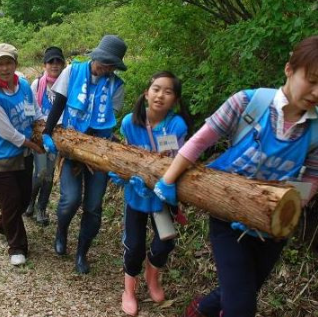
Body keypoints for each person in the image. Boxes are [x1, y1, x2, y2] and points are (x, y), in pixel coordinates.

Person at [151, 36, 318, 317]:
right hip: (228, 216)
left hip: (272, 227)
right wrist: (168, 180)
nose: (316, 91)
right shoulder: (248, 102)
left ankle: (202, 309)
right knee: (241, 307)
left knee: (246, 289)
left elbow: (312, 175)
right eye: (312, 79)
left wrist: (291, 207)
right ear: (290, 69)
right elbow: (200, 141)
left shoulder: (315, 128)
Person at [42, 34, 128, 274]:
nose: (106, 68)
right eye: (104, 62)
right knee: (70, 199)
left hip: (99, 151)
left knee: (93, 206)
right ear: (96, 56)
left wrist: (90, 151)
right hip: (71, 146)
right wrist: (48, 133)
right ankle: (61, 232)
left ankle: (82, 253)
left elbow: (107, 120)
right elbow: (59, 102)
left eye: (112, 65)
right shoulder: (73, 71)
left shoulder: (117, 86)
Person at [109, 71, 192, 315]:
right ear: (147, 93)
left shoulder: (176, 125)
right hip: (136, 195)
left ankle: (152, 276)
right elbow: (126, 154)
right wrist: (122, 174)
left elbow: (181, 159)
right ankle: (129, 290)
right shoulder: (129, 122)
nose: (160, 95)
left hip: (163, 197)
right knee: (133, 246)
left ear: (175, 100)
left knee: (164, 243)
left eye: (168, 92)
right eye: (156, 89)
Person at [0, 43, 45, 266]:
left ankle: (3, 224)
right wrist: (34, 145)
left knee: (24, 198)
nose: (5, 68)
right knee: (11, 201)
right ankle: (17, 247)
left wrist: (42, 125)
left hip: (22, 156)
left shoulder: (24, 86)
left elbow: (33, 109)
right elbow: (8, 133)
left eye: (9, 62)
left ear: (15, 64)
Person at [25, 46, 66, 225]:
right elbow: (31, 108)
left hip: (58, 135)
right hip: (40, 134)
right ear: (44, 64)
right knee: (41, 172)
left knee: (49, 173)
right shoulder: (37, 84)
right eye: (51, 62)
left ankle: (41, 207)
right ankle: (31, 201)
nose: (54, 65)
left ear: (63, 64)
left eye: (58, 61)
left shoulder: (66, 85)